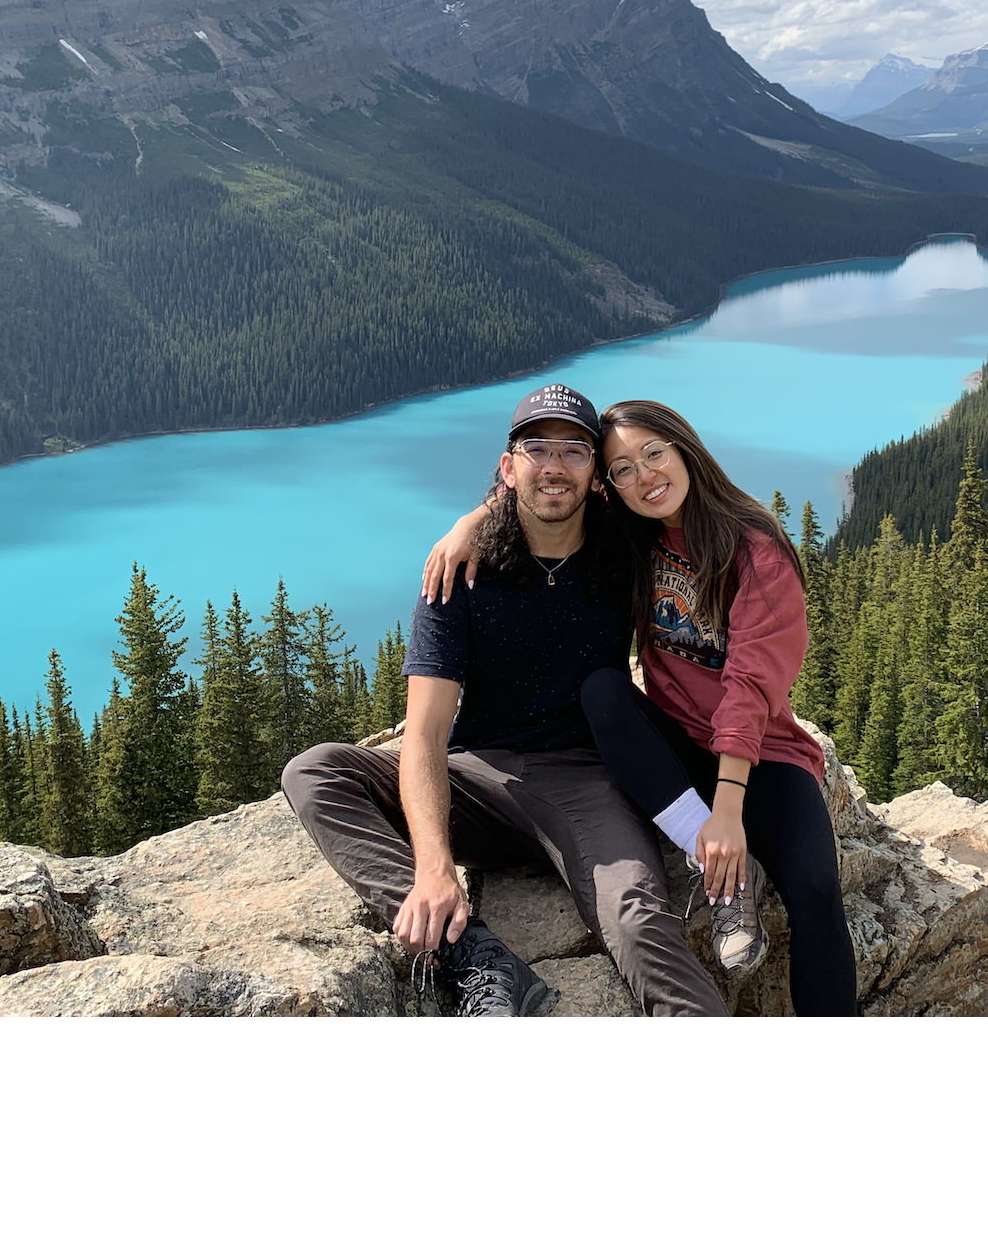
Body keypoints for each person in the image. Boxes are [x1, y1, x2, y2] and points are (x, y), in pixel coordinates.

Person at [283, 383, 726, 1019]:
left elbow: (687, 509)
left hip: (587, 779)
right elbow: (425, 734)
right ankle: (475, 955)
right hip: (479, 781)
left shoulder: (623, 545)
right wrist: (434, 868)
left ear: (596, 475)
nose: (554, 466)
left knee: (638, 920)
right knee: (316, 771)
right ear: (508, 466)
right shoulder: (458, 573)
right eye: (536, 449)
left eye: (574, 451)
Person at [425, 398, 858, 1017]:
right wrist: (471, 523)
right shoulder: (634, 533)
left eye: (654, 454)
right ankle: (718, 871)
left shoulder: (754, 550)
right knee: (604, 690)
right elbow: (549, 484)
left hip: (762, 755)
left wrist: (728, 814)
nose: (644, 477)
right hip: (671, 751)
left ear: (686, 449)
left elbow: (752, 685)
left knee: (815, 890)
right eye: (623, 469)